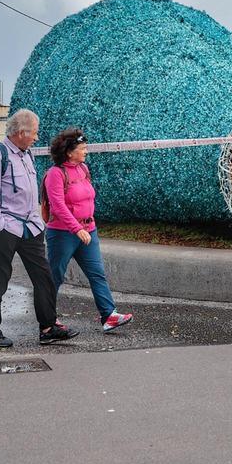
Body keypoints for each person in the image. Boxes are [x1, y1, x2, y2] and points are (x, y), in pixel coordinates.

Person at [0, 109, 78, 347]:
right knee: (0, 278)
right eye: (34, 132)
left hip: (30, 228)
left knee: (44, 277)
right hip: (6, 228)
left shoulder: (27, 154)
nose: (36, 137)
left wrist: (36, 219)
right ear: (21, 132)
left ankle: (48, 327)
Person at [43, 127, 133, 333]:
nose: (86, 151)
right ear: (69, 152)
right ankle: (47, 320)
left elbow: (87, 197)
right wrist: (76, 229)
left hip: (88, 230)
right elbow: (58, 206)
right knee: (55, 277)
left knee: (97, 274)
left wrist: (87, 225)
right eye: (82, 148)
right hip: (63, 234)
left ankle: (109, 315)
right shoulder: (55, 174)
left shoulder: (83, 169)